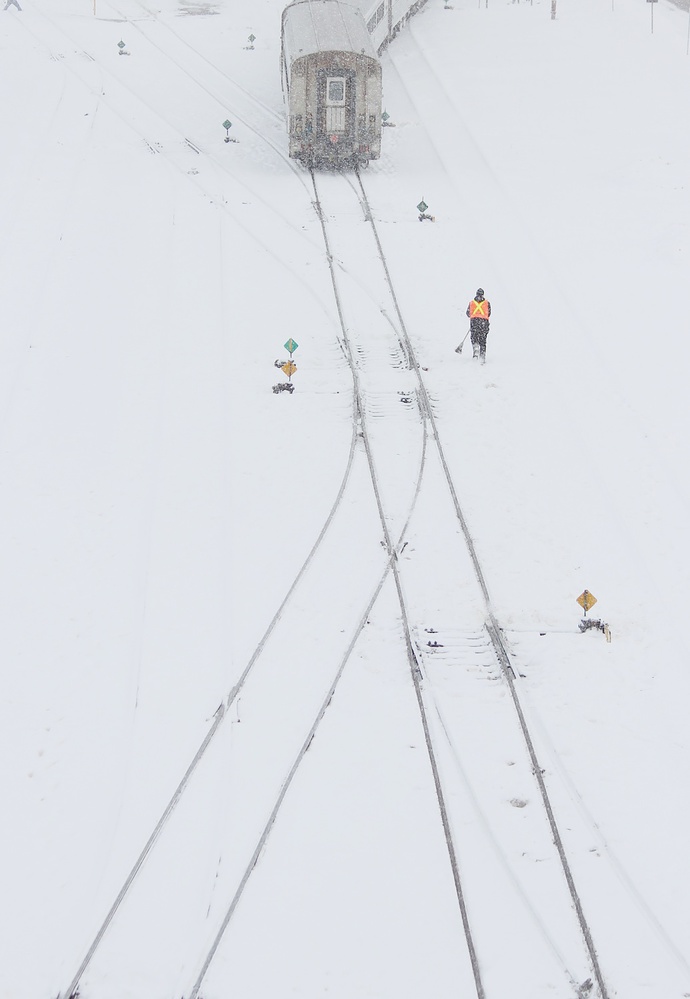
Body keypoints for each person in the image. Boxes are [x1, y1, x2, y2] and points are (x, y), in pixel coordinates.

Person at [466, 287, 491, 363]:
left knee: (474, 337)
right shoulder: (487, 303)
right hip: (484, 323)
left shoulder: (471, 303)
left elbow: (467, 313)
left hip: (474, 322)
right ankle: (482, 356)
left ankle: (475, 349)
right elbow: (489, 313)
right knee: (483, 340)